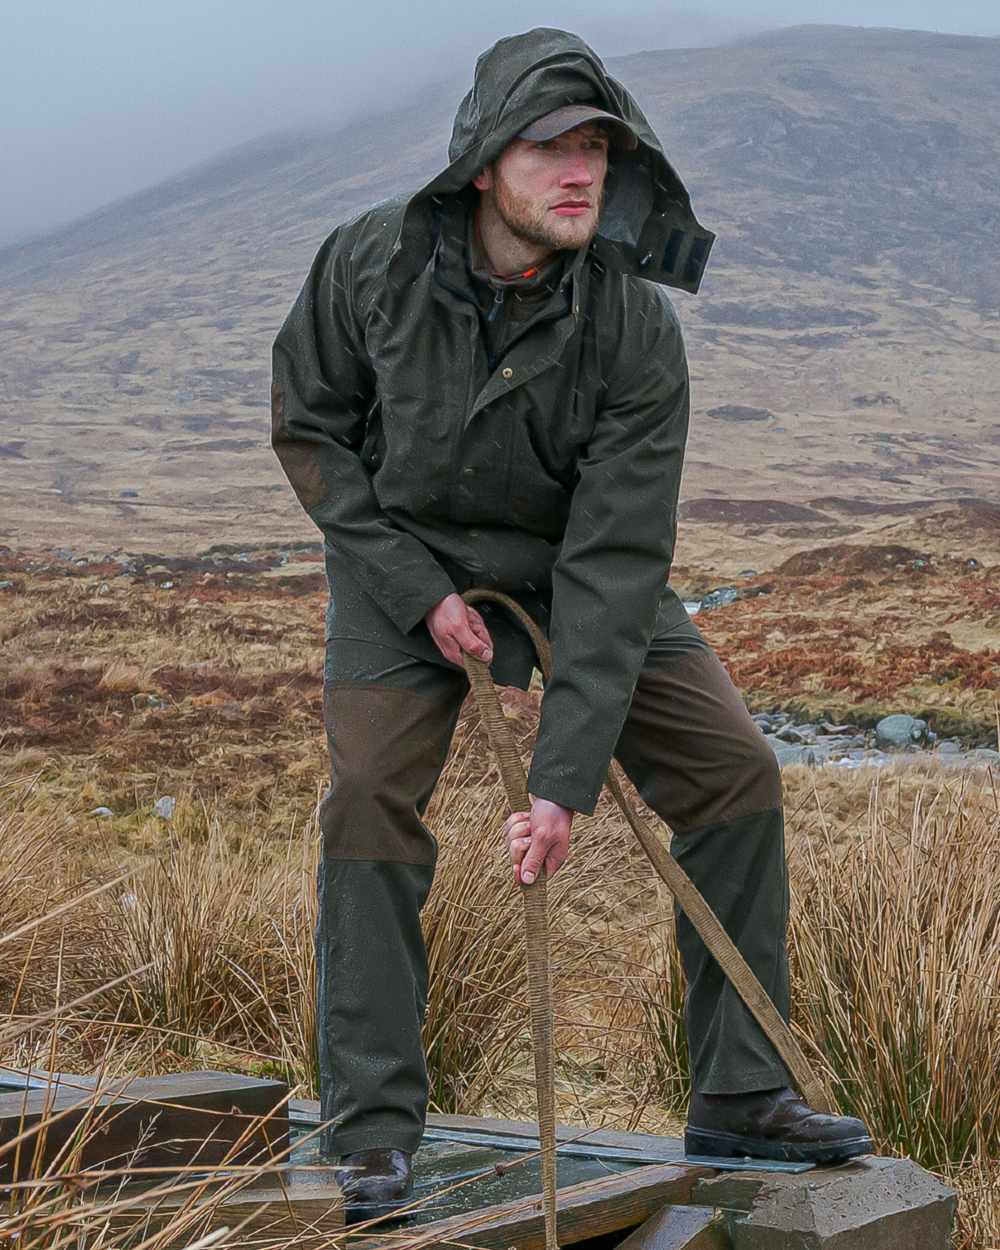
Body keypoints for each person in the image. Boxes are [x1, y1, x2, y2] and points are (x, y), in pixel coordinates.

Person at [271, 27, 872, 1211]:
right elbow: (312, 433)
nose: (580, 167)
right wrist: (416, 592)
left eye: (596, 144)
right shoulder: (368, 264)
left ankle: (742, 1092)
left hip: (573, 573)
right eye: (551, 143)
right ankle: (373, 1126)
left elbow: (614, 555)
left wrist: (562, 780)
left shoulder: (633, 325)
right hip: (405, 567)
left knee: (736, 772)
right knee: (366, 799)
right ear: (487, 160)